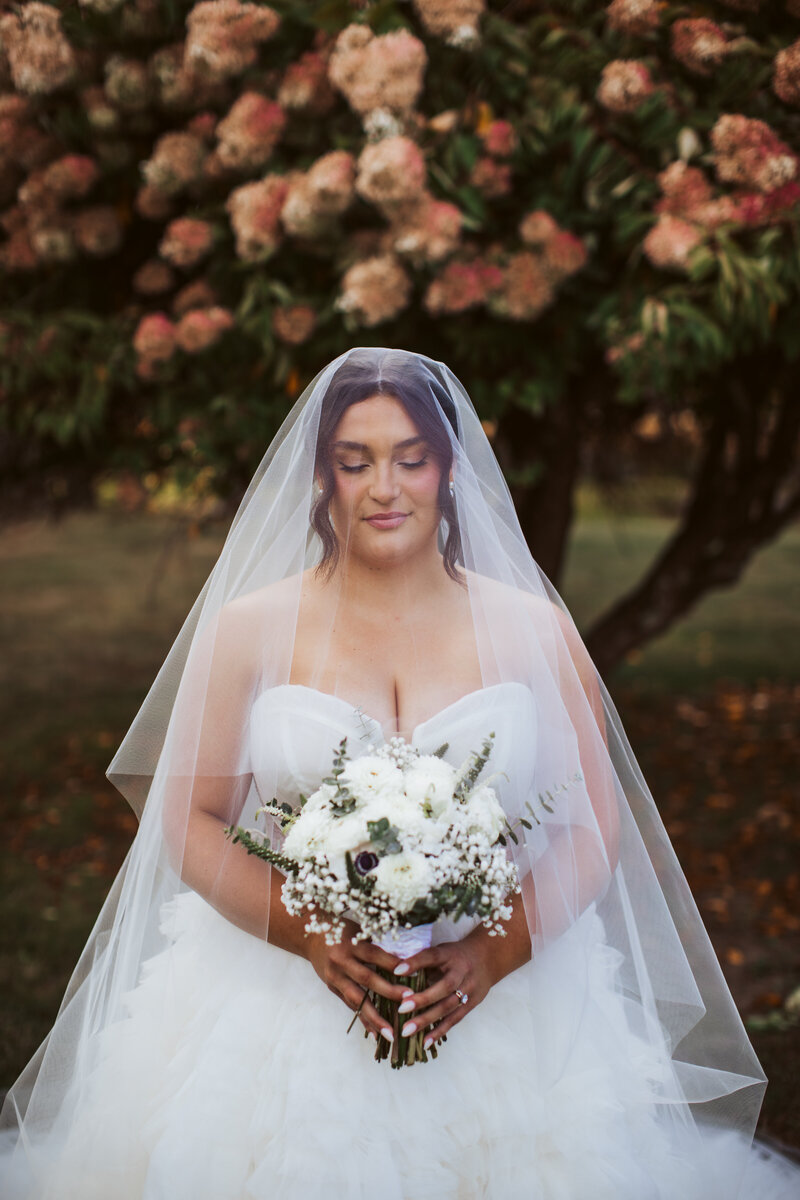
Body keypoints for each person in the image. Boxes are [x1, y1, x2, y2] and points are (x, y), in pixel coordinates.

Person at [1, 346, 798, 1199]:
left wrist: (497, 951)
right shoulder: (248, 629)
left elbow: (594, 824)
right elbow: (187, 820)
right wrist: (308, 934)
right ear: (322, 481)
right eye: (356, 462)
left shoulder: (534, 628)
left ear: (449, 471)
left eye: (411, 459)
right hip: (276, 1005)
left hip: (509, 1009)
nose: (385, 487)